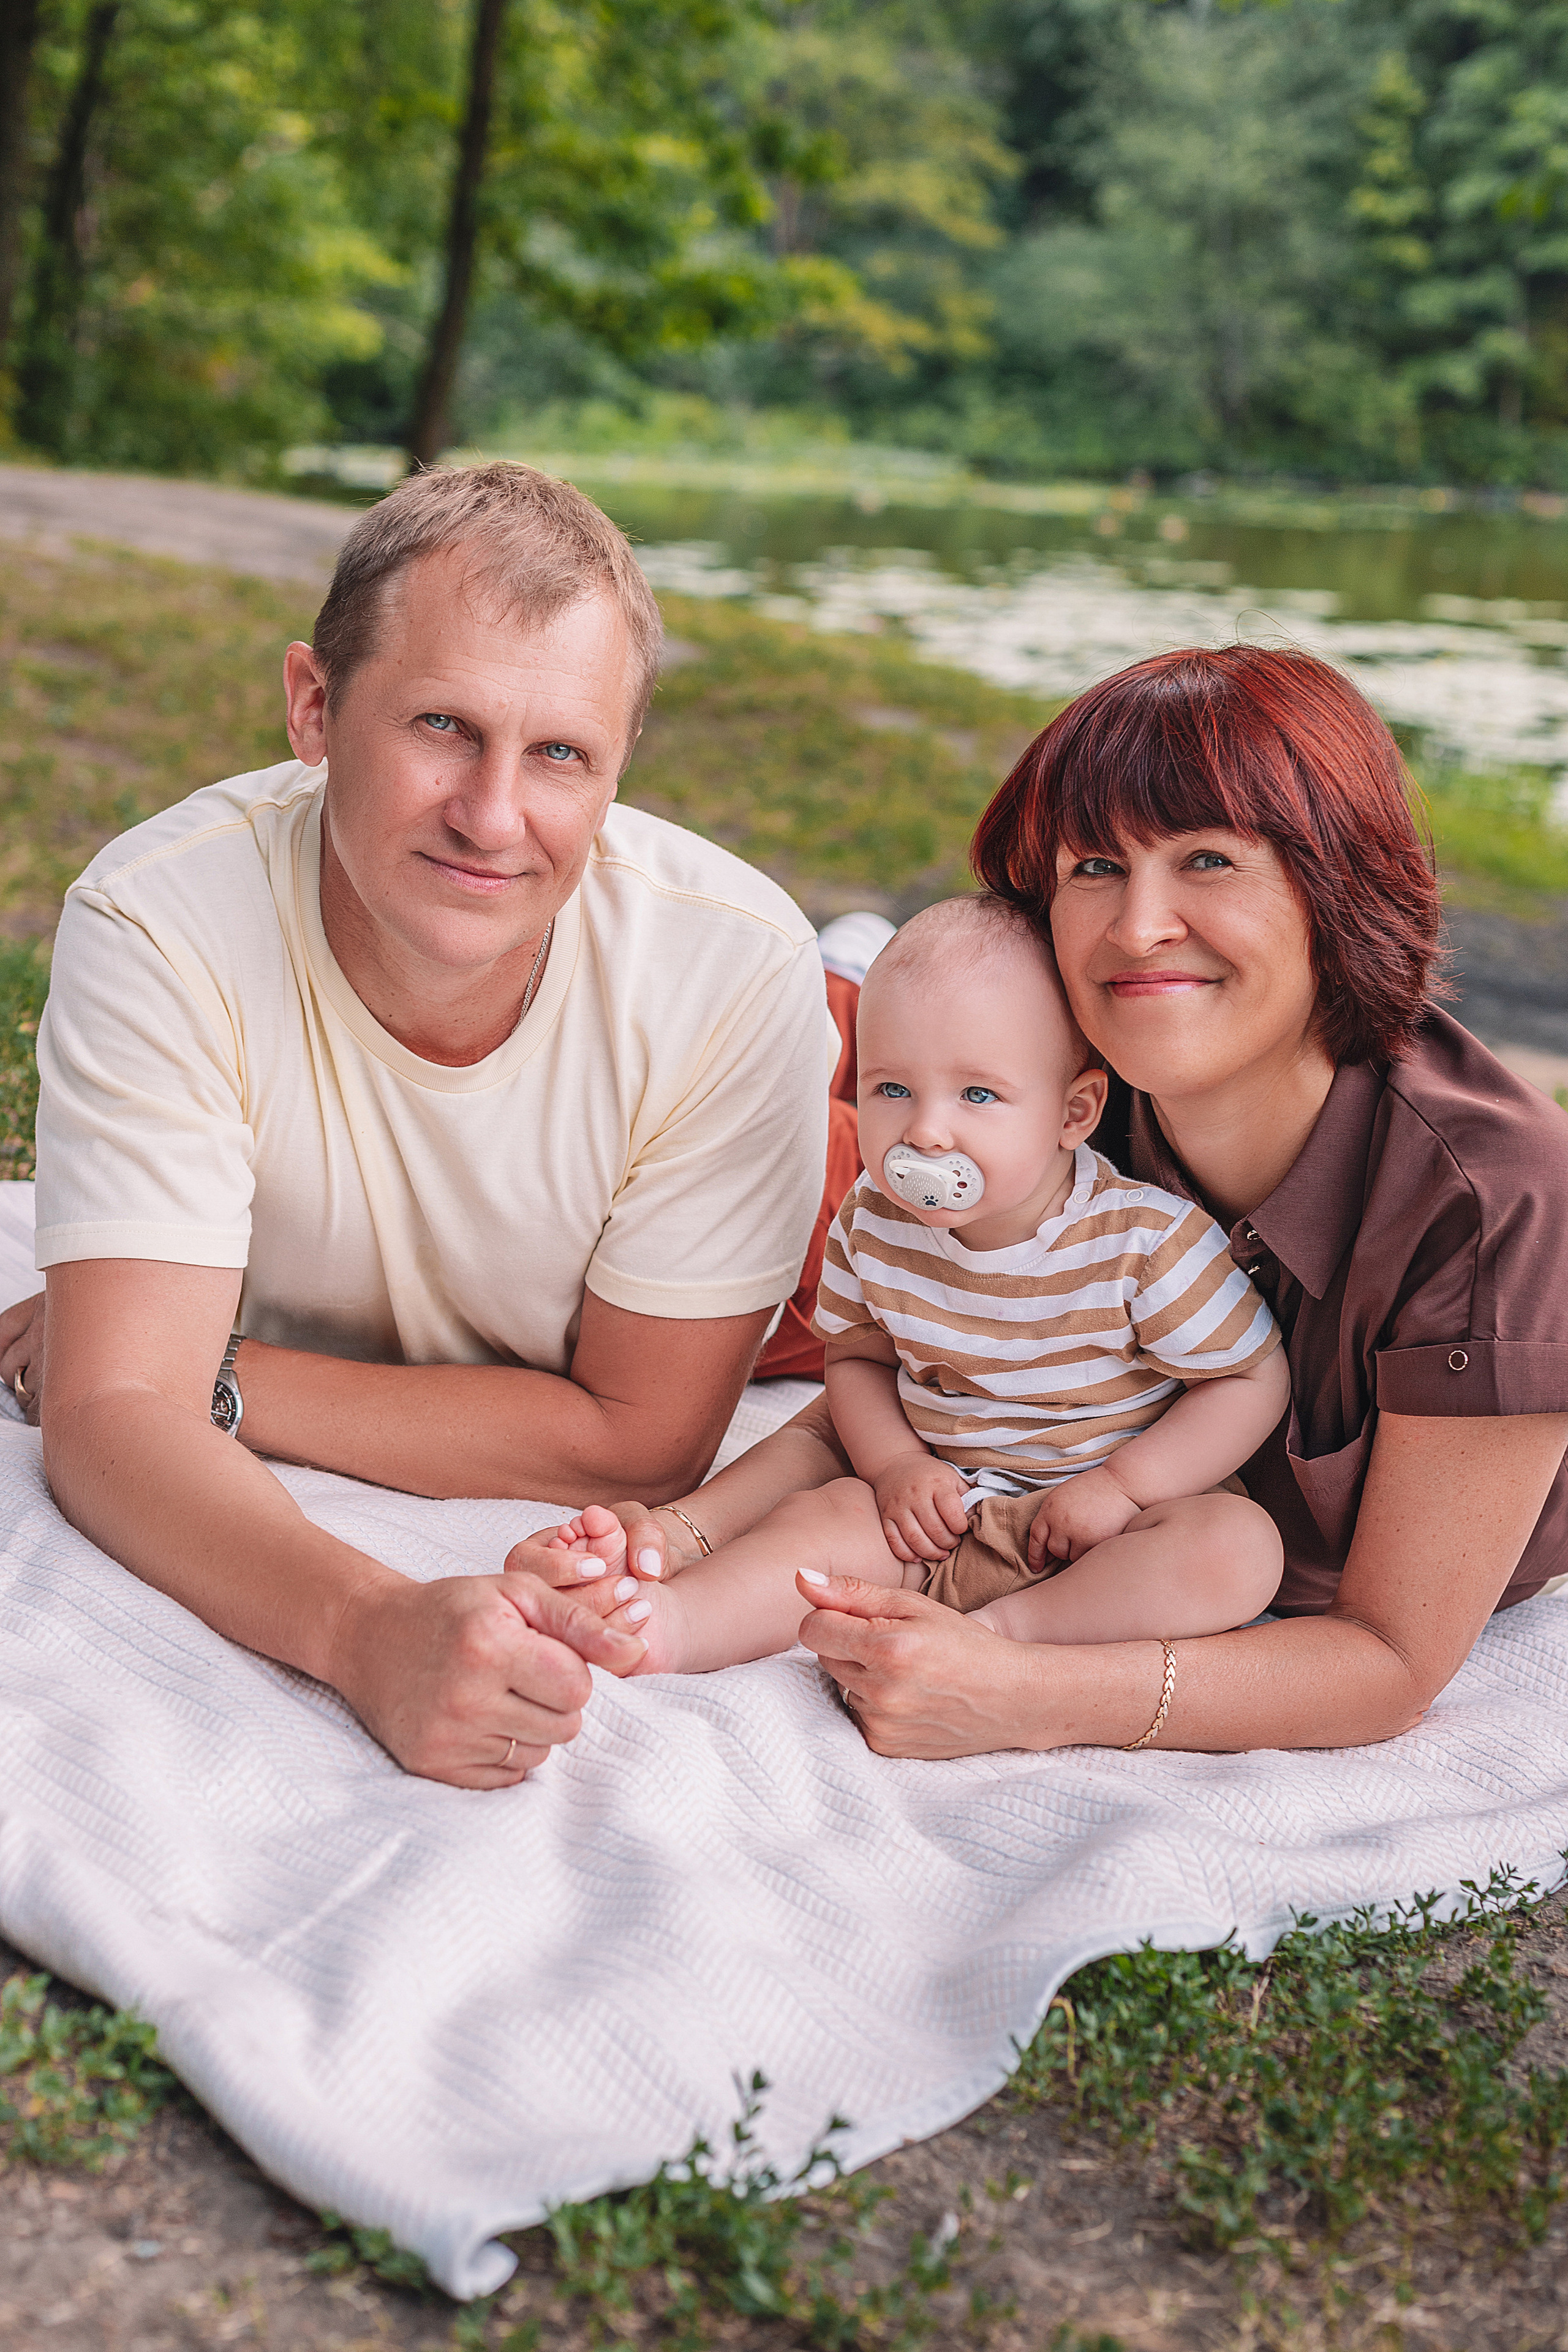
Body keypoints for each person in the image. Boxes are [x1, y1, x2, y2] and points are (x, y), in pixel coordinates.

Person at [533, 646, 1568, 1763]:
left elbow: (1391, 1663)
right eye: (1096, 868)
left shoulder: (1492, 1207)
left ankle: (846, 970)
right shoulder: (1078, 1082)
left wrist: (1020, 1689)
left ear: (1336, 887)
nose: (1139, 927)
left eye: (1209, 860)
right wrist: (672, 1539)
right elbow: (918, 1379)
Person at [0, 461, 838, 1787]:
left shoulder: (732, 970)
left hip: (802, 1192)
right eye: (443, 725)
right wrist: (365, 1627)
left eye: (560, 753)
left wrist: (205, 1372)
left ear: (619, 769)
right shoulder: (161, 917)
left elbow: (643, 1442)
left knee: (931, 1114)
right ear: (314, 706)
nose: (492, 817)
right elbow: (105, 1421)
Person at [565, 894, 1286, 1676]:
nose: (925, 1132)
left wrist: (1125, 1487)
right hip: (933, 1519)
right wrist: (895, 1466)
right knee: (822, 1521)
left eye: (976, 1095)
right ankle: (675, 1624)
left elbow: (1249, 1379)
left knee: (1237, 1550)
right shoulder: (874, 1221)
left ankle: (1002, 1640)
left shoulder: (1144, 1242)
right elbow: (857, 1360)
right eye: (892, 1090)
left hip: (1100, 1535)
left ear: (1073, 1112)